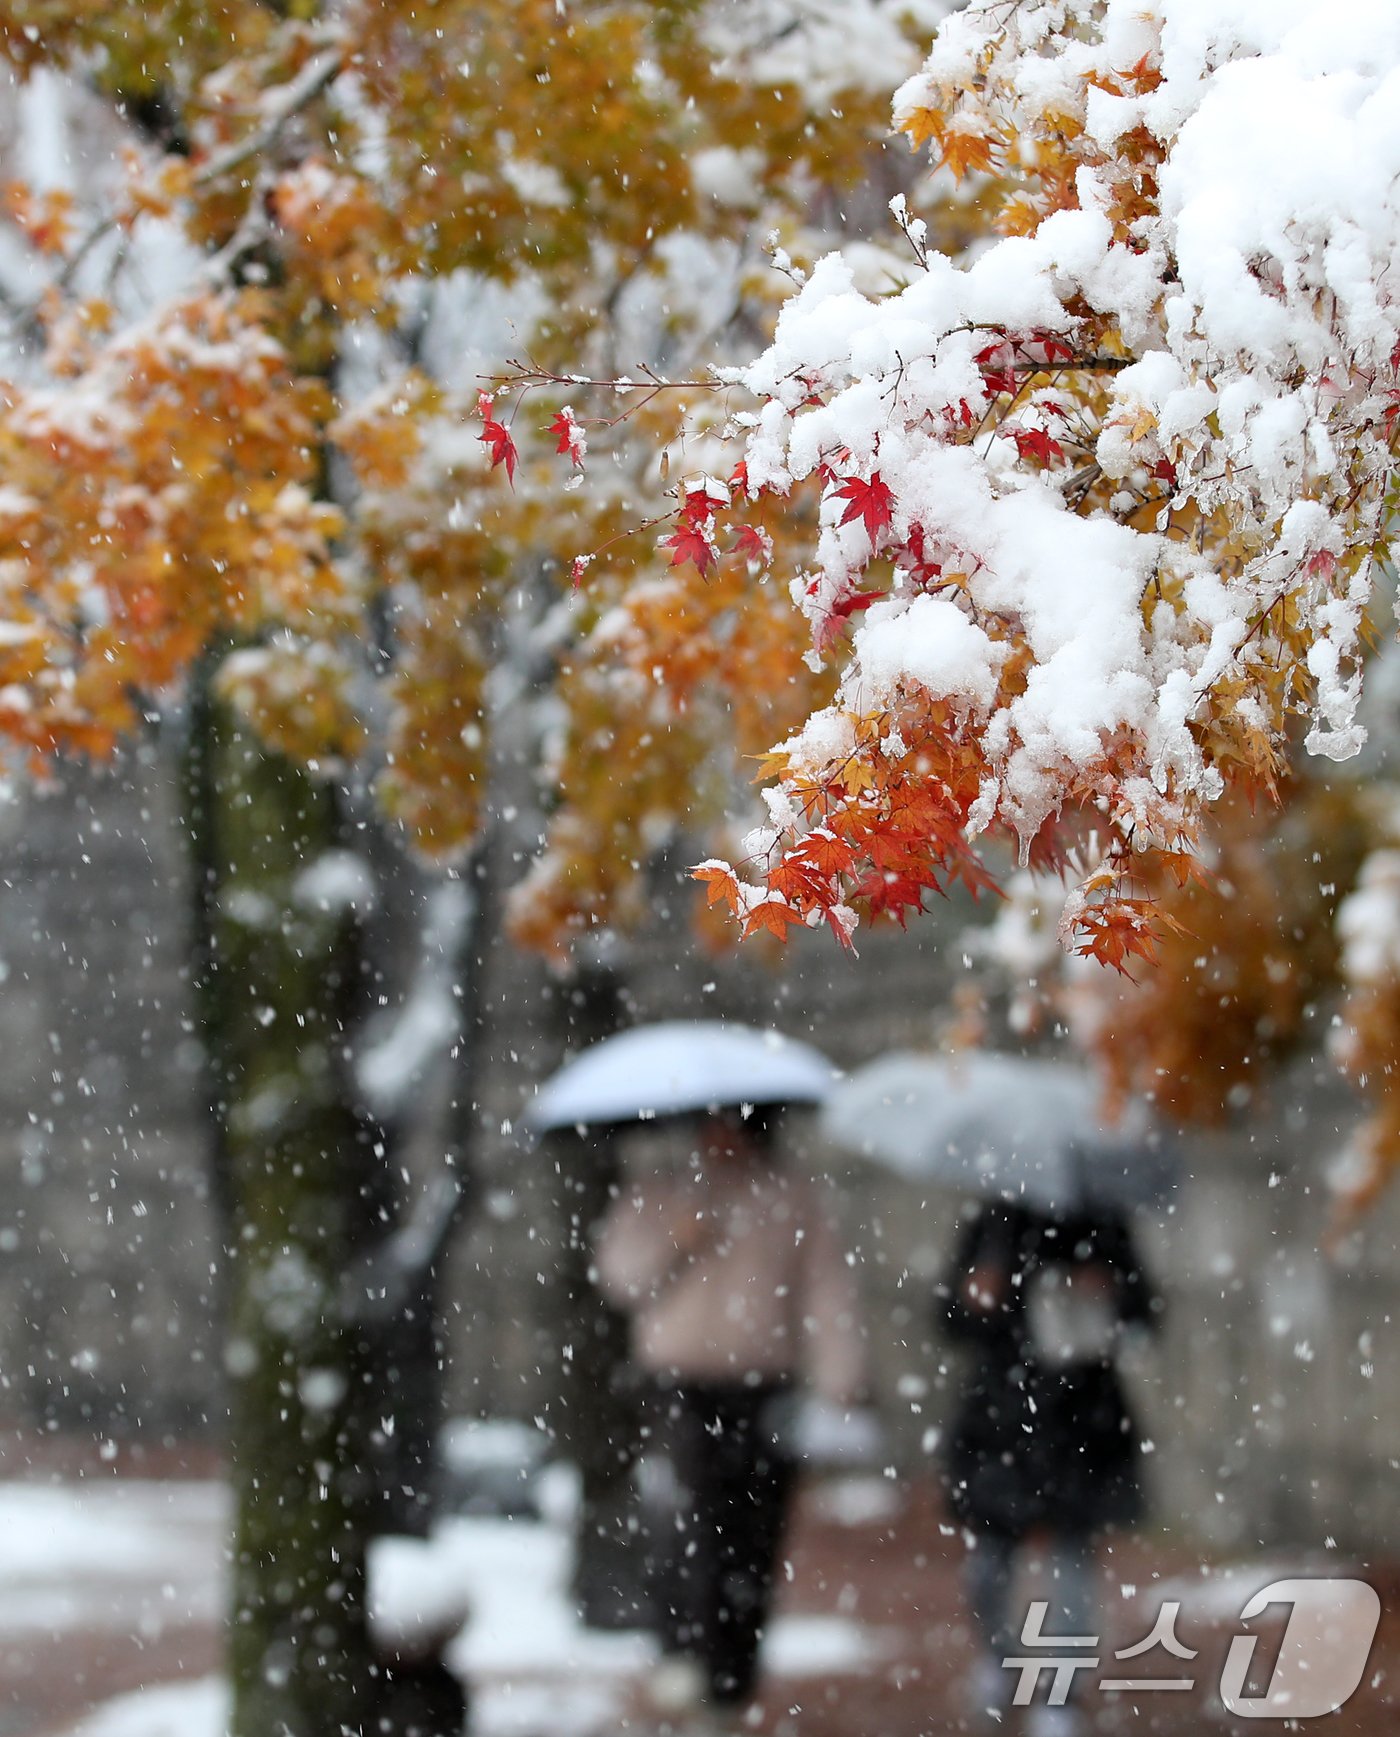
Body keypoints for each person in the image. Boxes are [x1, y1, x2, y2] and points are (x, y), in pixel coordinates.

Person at [596, 1107, 865, 1727]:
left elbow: (825, 1289)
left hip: (764, 1387)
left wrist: (840, 1377)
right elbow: (619, 1278)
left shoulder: (790, 1196)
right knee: (688, 1521)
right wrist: (676, 1239)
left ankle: (731, 1675)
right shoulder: (660, 1193)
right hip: (680, 1385)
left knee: (754, 1532)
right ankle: (684, 1652)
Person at [938, 1198, 1159, 1735]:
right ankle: (1000, 1659)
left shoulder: (1102, 1221)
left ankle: (1061, 1694)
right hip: (1000, 1418)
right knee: (989, 1565)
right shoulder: (994, 1221)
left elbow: (1144, 1315)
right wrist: (975, 1298)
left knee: (1071, 1562)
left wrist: (1108, 1293)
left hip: (1082, 1419)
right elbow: (948, 1317)